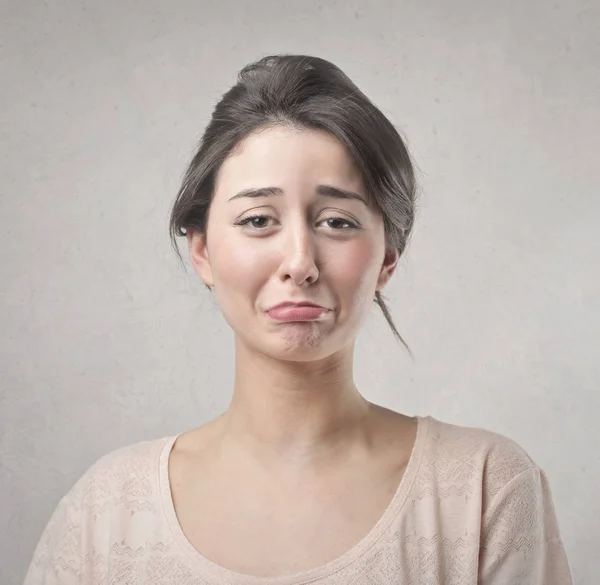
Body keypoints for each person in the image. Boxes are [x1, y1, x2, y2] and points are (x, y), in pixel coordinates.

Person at [23, 54, 573, 584]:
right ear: (203, 251)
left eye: (337, 221)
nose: (300, 263)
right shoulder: (106, 513)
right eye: (258, 219)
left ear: (387, 257)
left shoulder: (484, 489)